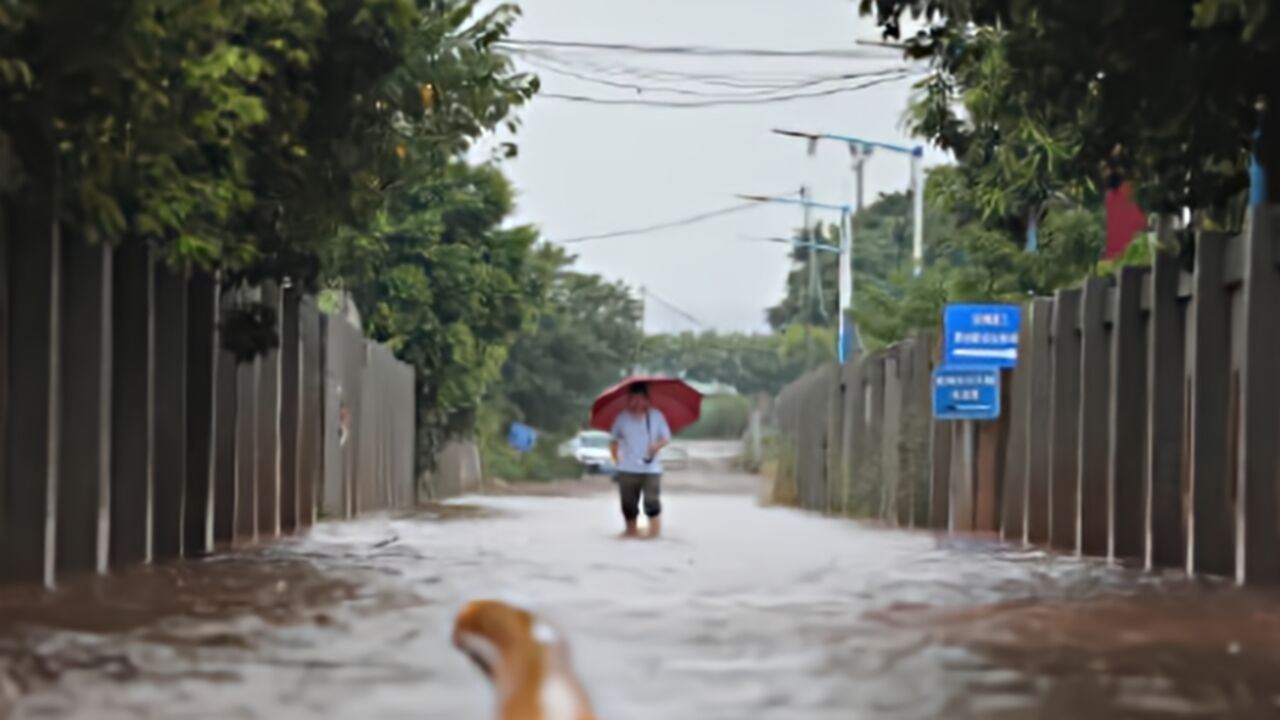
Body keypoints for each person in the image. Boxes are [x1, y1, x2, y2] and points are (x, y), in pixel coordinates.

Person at [609, 383, 672, 538]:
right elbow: (613, 440)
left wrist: (656, 446)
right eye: (633, 399)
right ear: (628, 400)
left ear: (647, 400)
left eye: (640, 399)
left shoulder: (656, 416)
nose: (636, 403)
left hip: (651, 468)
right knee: (628, 503)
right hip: (627, 468)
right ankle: (630, 530)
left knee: (651, 501)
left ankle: (654, 532)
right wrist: (616, 459)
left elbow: (666, 438)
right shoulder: (622, 418)